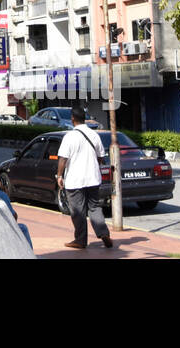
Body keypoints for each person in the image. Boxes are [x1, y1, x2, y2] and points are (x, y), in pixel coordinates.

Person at [56, 106, 112, 250]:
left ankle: (80, 240)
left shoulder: (70, 136)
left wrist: (59, 176)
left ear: (72, 119)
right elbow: (100, 157)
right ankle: (103, 233)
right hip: (93, 178)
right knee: (94, 207)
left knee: (78, 211)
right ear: (84, 119)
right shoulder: (94, 135)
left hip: (75, 181)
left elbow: (62, 159)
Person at [0, 163, 32, 250]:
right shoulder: (0, 195)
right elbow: (13, 218)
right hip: (0, 229)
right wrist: (3, 192)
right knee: (23, 228)